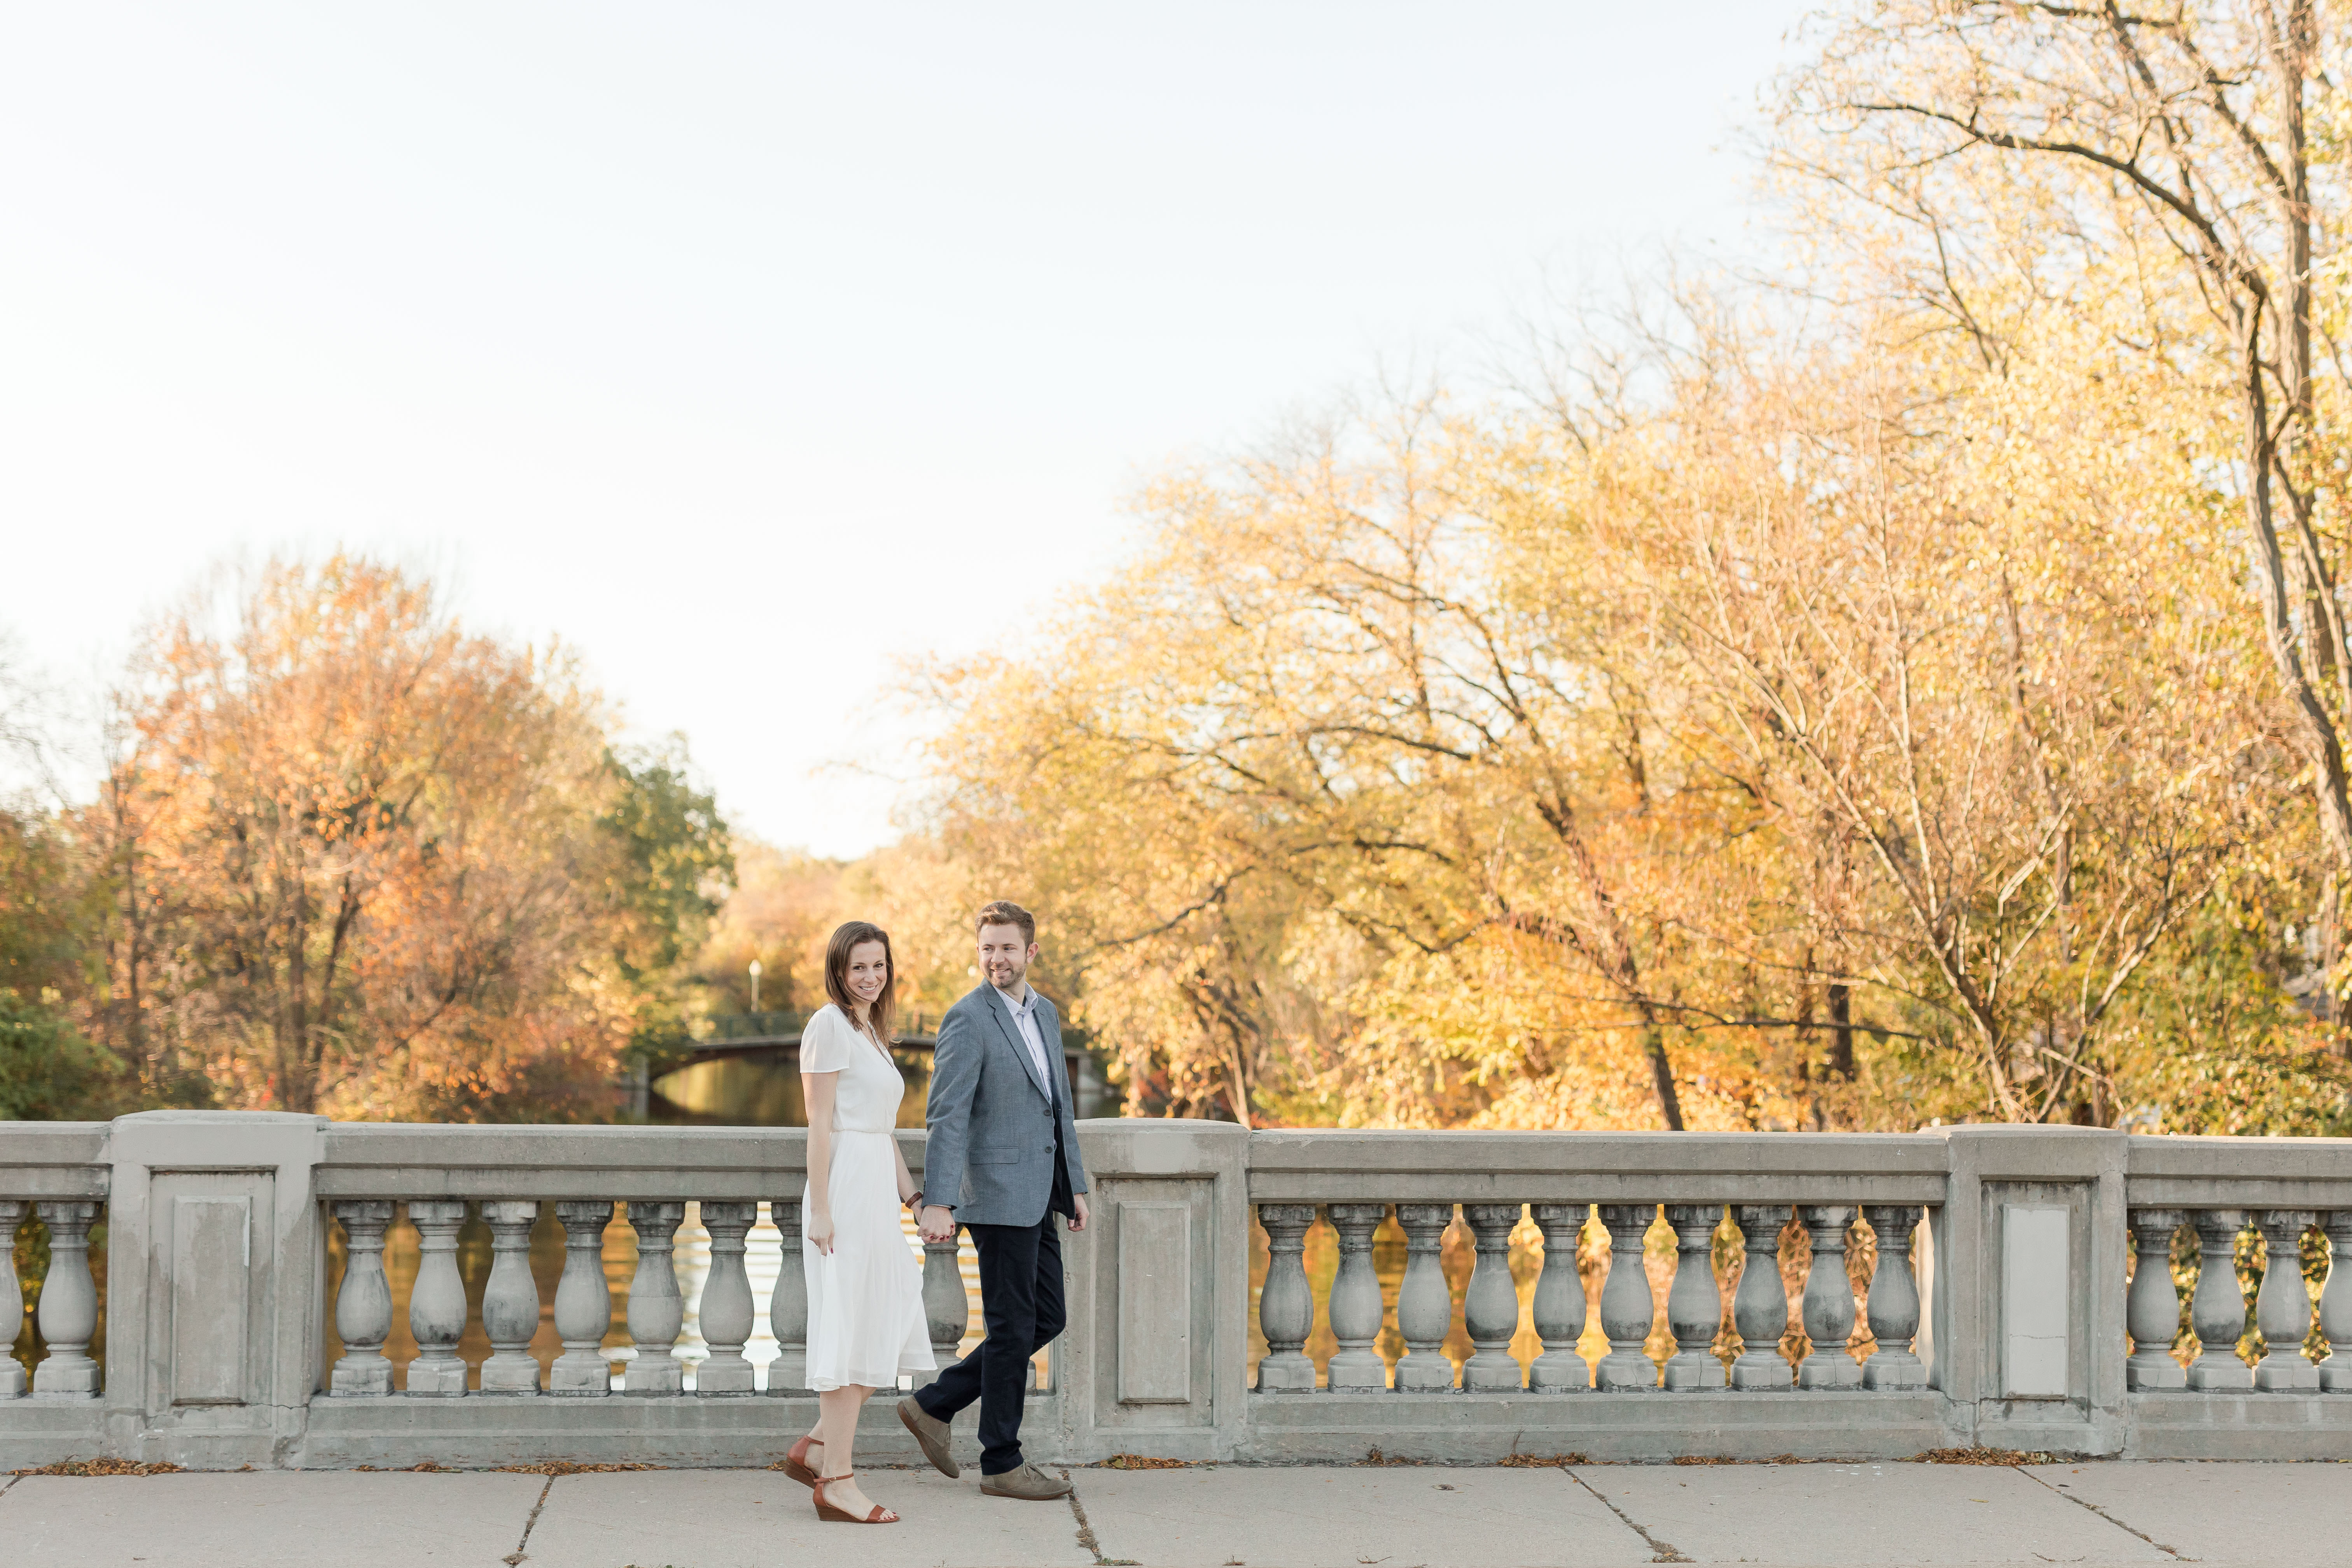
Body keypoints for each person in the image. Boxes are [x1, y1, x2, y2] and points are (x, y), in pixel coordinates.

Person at [898, 900, 1091, 1501]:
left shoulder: (1046, 1013)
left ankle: (935, 1403)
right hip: (995, 1195)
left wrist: (1075, 1185)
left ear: (1030, 951)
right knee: (1012, 1328)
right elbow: (946, 1116)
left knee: (1047, 1317)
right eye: (987, 948)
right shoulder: (966, 1018)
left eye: (1007, 947)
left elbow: (1058, 1105)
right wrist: (938, 1200)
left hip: (1040, 1194)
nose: (996, 958)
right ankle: (1002, 1461)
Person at [779, 921, 934, 1524]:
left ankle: (818, 1444)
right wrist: (820, 1208)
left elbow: (880, 1129)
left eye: (878, 965)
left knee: (891, 1314)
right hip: (842, 1190)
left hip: (875, 1186)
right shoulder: (827, 1025)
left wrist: (914, 1198)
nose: (870, 976)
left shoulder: (870, 1029)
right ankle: (837, 1480)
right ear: (838, 971)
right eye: (858, 967)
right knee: (849, 1331)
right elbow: (820, 1125)